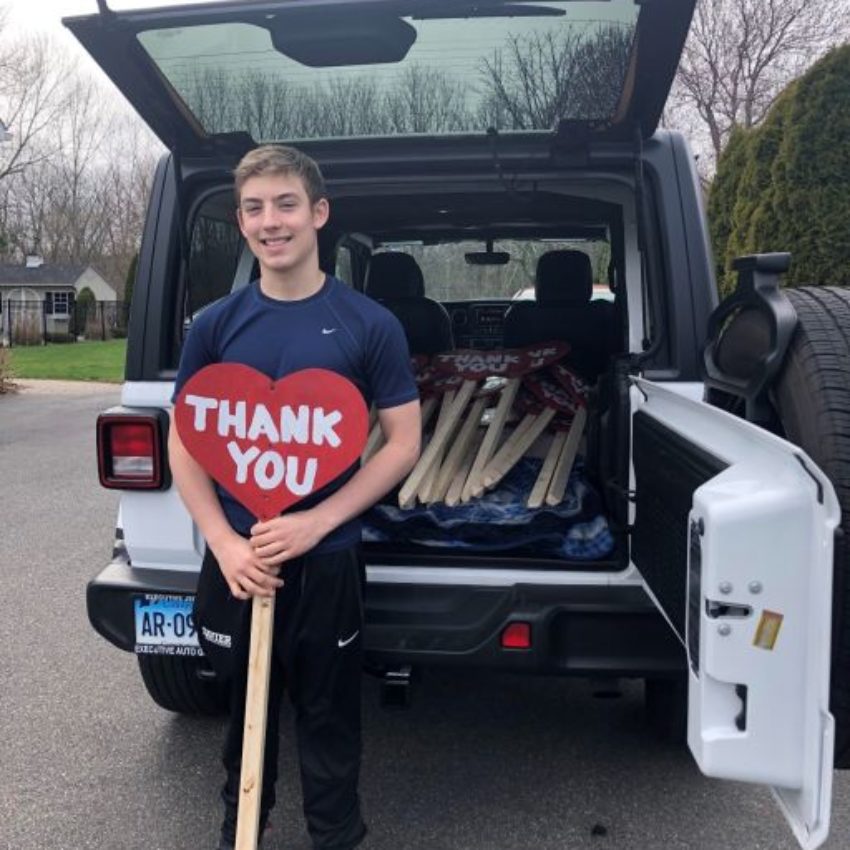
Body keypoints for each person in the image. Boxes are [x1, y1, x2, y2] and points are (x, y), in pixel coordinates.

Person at [168, 144, 421, 850]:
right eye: (253, 208)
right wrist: (222, 543)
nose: (269, 221)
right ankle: (239, 832)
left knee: (329, 716)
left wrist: (318, 522)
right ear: (241, 222)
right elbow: (184, 443)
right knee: (244, 717)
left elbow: (402, 443)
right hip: (241, 561)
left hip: (328, 561)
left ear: (318, 214)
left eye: (284, 205)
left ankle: (335, 838)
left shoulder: (370, 325)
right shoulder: (215, 326)